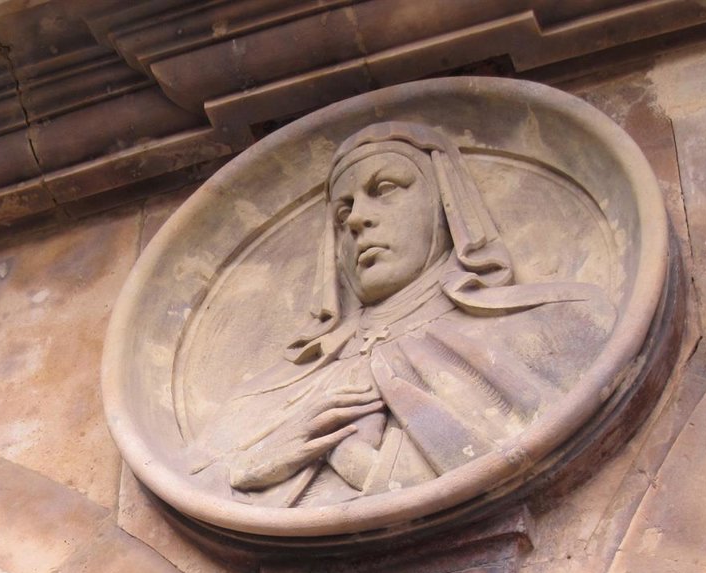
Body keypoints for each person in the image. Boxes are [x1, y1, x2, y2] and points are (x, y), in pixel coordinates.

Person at [188, 121, 616, 507]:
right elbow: (193, 487)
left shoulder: (558, 324)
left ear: (444, 204)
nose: (357, 219)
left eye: (385, 188)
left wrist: (356, 461)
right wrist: (253, 465)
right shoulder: (265, 396)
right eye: (342, 211)